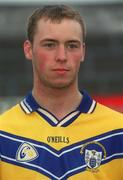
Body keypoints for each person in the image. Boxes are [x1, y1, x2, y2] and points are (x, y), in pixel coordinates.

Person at [0, 5, 123, 180]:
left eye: (72, 45)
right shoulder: (4, 132)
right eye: (50, 45)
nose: (62, 56)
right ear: (28, 50)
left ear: (83, 52)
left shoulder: (118, 131)